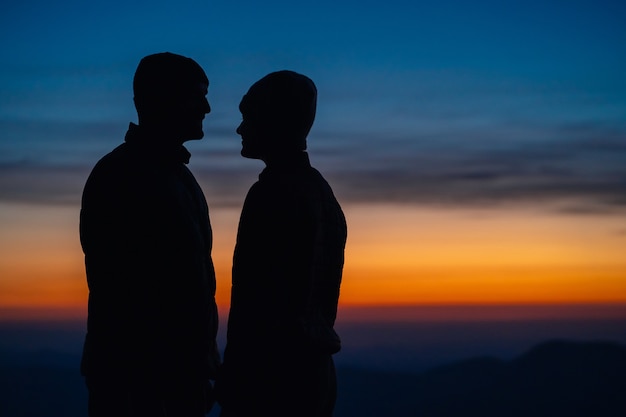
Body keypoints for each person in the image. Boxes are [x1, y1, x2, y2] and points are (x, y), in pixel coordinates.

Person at [79, 52, 220, 417]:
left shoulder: (180, 178)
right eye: (197, 95)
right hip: (141, 386)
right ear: (163, 99)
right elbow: (123, 294)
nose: (206, 106)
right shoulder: (121, 176)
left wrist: (202, 367)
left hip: (177, 381)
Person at [215, 70, 347, 417]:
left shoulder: (271, 193)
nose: (240, 129)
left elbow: (257, 300)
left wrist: (235, 376)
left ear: (274, 122)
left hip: (273, 378)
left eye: (249, 119)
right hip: (314, 373)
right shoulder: (323, 193)